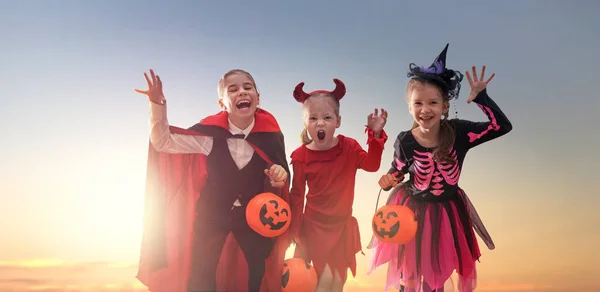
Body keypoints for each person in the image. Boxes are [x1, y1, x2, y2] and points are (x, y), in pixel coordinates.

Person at [367, 44, 513, 292]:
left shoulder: (459, 133)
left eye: (433, 102)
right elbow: (397, 170)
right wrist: (388, 179)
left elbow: (501, 126)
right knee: (409, 274)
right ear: (410, 107)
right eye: (418, 103)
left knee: (438, 273)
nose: (425, 109)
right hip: (411, 210)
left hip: (447, 213)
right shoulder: (406, 140)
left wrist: (481, 98)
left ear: (445, 106)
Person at [134, 69, 291, 292]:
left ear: (258, 97)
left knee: (259, 270)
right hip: (212, 214)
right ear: (222, 103)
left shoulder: (271, 135)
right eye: (233, 89)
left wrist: (279, 178)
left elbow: (281, 175)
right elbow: (163, 142)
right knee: (201, 273)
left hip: (255, 216)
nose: (242, 92)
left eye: (247, 87)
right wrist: (157, 105)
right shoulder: (209, 135)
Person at [288, 78, 389, 292]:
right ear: (305, 122)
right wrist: (294, 232)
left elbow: (371, 165)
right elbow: (296, 196)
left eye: (327, 117)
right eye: (313, 118)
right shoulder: (300, 156)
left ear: (338, 121)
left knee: (337, 283)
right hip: (314, 228)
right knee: (321, 282)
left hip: (340, 228)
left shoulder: (349, 147)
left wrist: (376, 135)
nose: (320, 123)